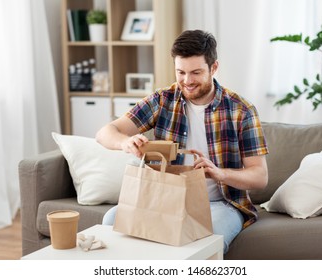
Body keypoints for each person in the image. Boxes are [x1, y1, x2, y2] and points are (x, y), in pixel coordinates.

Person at [96, 29, 269, 254]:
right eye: (181, 72)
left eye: (196, 72)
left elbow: (260, 176)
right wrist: (125, 142)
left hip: (220, 205)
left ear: (213, 67)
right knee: (112, 220)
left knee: (204, 239)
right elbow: (105, 133)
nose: (187, 81)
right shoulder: (162, 100)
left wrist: (220, 173)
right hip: (164, 198)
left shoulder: (241, 110)